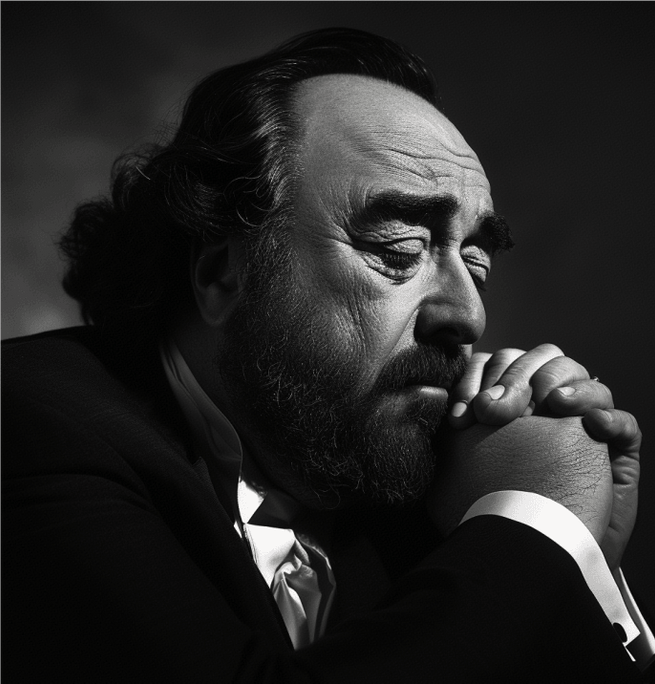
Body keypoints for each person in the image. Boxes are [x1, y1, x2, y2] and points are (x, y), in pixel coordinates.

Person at [1, 28, 653, 682]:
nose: (468, 315)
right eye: (399, 249)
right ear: (222, 273)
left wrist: (577, 559)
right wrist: (535, 527)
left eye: (476, 264)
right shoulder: (28, 426)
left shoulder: (426, 497)